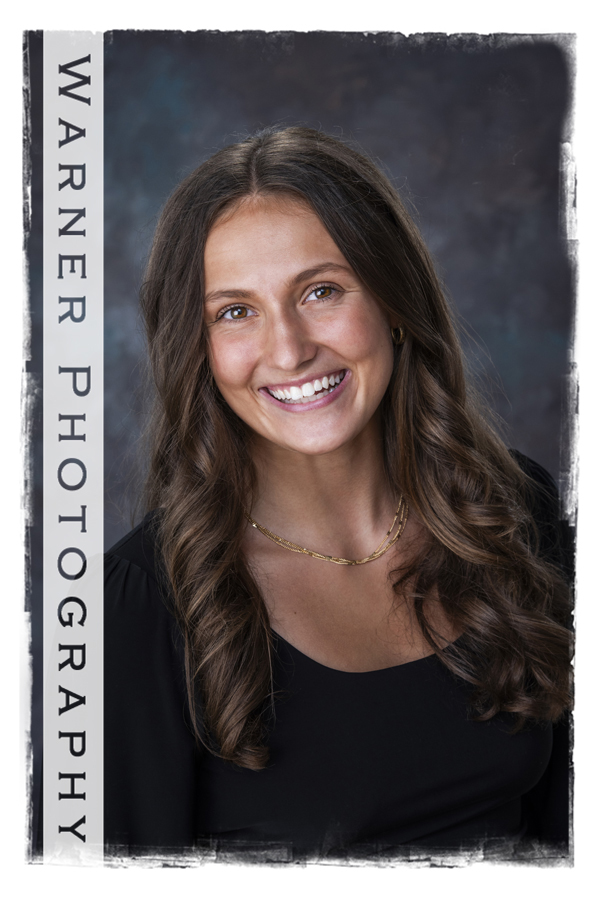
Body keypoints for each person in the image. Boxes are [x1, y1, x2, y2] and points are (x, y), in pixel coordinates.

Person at [104, 126, 573, 862]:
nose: (288, 349)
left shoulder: (517, 514)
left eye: (321, 291)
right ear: (196, 349)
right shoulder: (139, 609)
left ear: (392, 297)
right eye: (235, 311)